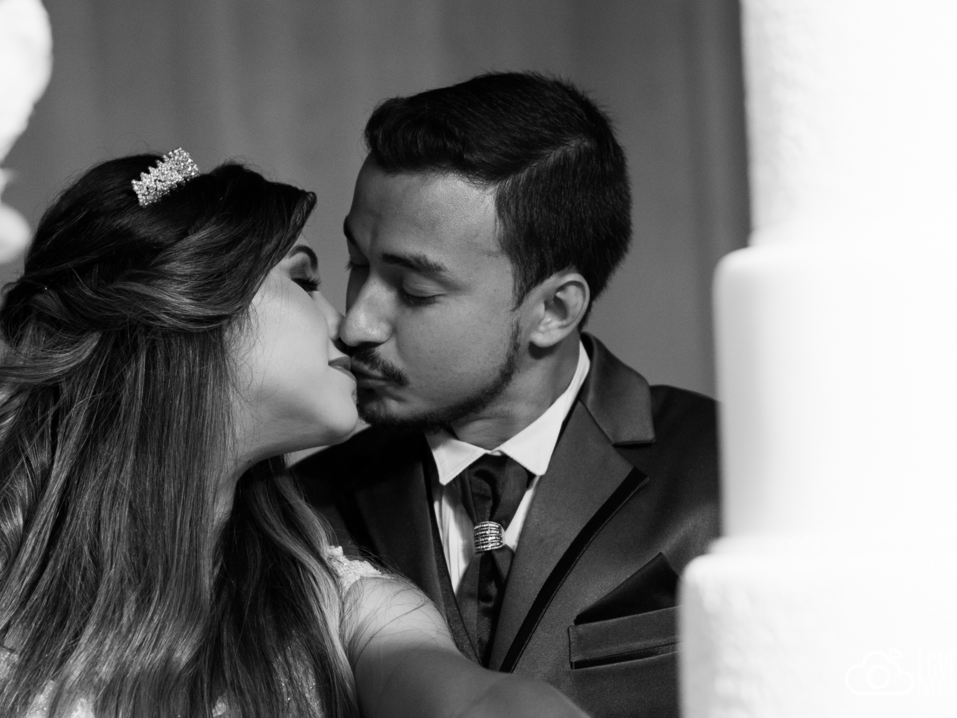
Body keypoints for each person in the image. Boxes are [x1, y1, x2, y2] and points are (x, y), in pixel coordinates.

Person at [0, 153, 590, 718]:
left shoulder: (338, 602)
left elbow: (471, 701)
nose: (350, 324)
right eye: (304, 279)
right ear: (187, 309)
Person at [297, 72, 721, 718]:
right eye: (358, 263)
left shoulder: (730, 473)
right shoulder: (305, 506)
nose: (355, 323)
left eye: (414, 291)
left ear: (554, 310)